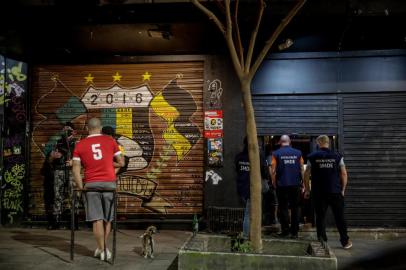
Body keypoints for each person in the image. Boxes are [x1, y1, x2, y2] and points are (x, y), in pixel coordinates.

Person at [72, 118, 124, 260]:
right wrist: (107, 164)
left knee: (97, 219)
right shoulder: (110, 141)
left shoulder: (79, 145)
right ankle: (103, 248)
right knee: (108, 219)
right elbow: (121, 162)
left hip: (91, 184)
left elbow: (75, 169)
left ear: (87, 128)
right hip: (109, 183)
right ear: (100, 128)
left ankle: (102, 249)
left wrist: (80, 186)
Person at [304, 135, 352, 249]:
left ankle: (322, 241)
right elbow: (344, 174)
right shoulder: (337, 156)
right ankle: (345, 241)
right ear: (328, 143)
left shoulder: (312, 156)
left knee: (320, 217)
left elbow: (306, 174)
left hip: (319, 192)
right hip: (335, 191)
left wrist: (307, 189)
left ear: (318, 143)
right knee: (339, 217)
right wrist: (343, 189)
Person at [270, 135, 304, 238]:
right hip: (295, 184)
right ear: (289, 142)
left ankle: (285, 231)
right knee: (295, 208)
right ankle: (294, 232)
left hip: (282, 185)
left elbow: (273, 170)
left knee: (283, 207)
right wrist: (302, 183)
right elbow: (302, 168)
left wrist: (274, 182)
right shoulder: (298, 153)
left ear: (280, 142)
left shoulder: (276, 154)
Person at [47, 122, 77, 229]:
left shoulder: (77, 143)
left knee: (72, 195)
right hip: (58, 170)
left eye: (68, 129)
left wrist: (74, 162)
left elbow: (84, 159)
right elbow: (50, 160)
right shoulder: (58, 143)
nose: (65, 131)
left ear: (73, 131)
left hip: (72, 171)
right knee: (57, 195)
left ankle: (73, 222)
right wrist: (53, 157)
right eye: (64, 129)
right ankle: (56, 221)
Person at [235, 137, 267, 238]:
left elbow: (237, 170)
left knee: (247, 212)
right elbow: (265, 173)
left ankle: (248, 234)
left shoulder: (239, 157)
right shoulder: (258, 157)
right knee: (249, 214)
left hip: (241, 187)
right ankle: (246, 236)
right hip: (253, 188)